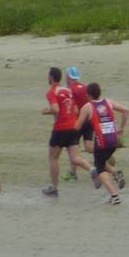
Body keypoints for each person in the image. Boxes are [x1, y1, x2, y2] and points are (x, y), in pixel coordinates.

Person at [41, 67, 92, 196]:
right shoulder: (68, 90)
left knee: (53, 158)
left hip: (60, 128)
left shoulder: (52, 92)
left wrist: (46, 111)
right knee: (75, 158)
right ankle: (93, 170)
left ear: (51, 77)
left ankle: (54, 187)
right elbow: (74, 109)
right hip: (73, 126)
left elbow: (56, 109)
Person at [75, 82, 129, 205]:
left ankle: (115, 195)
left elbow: (77, 127)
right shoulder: (108, 102)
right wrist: (121, 127)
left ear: (88, 95)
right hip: (114, 139)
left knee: (99, 169)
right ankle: (115, 174)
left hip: (102, 141)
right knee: (102, 163)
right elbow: (126, 110)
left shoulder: (87, 107)